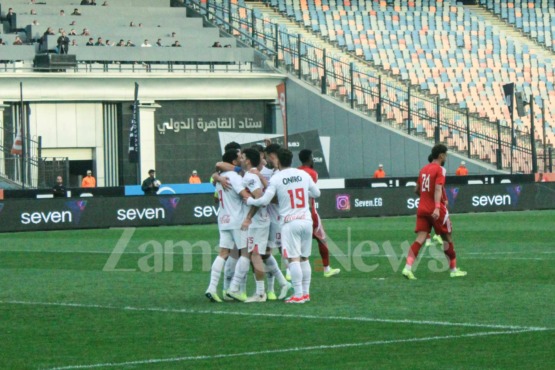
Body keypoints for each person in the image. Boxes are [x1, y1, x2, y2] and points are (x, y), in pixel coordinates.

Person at [246, 148, 321, 304]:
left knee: (293, 259)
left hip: (289, 222)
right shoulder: (303, 174)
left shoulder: (277, 178)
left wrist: (250, 201)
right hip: (306, 220)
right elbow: (316, 193)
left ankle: (298, 294)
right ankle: (306, 293)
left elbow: (264, 200)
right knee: (304, 258)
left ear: (278, 160)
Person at [402, 144, 467, 280]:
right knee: (447, 238)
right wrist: (437, 207)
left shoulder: (423, 169)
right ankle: (453, 270)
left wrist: (425, 198)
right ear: (441, 155)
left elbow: (416, 190)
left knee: (420, 239)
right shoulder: (440, 170)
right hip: (436, 210)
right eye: (446, 155)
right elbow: (438, 189)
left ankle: (407, 268)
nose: (446, 157)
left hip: (422, 208)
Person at [205, 149, 250, 303]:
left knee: (223, 253)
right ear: (233, 161)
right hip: (237, 220)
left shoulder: (219, 179)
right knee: (246, 253)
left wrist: (216, 176)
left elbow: (215, 194)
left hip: (223, 219)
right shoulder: (234, 177)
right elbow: (245, 196)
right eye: (239, 158)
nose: (241, 159)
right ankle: (233, 289)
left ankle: (211, 288)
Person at [298, 149, 341, 277]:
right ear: (310, 158)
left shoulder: (295, 171)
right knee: (322, 239)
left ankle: (290, 270)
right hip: (310, 212)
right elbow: (314, 191)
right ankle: (326, 269)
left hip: (295, 212)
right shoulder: (312, 173)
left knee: (297, 243)